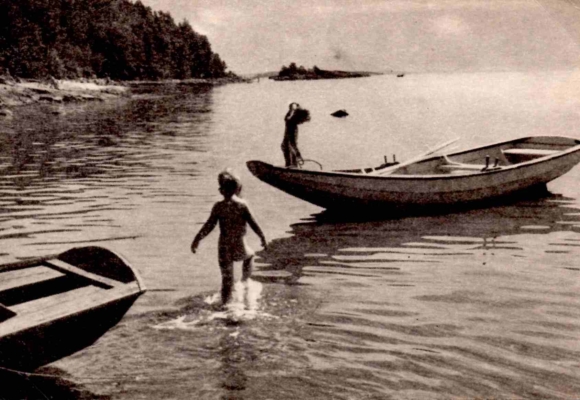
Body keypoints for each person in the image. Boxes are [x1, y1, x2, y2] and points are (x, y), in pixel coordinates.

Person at [191, 169, 267, 306]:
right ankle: (245, 281)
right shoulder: (242, 205)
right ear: (237, 189)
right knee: (250, 256)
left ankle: (226, 305)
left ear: (221, 190)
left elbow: (209, 225)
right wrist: (262, 237)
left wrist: (197, 239)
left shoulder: (218, 207)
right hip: (239, 244)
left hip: (224, 247)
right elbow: (253, 223)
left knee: (226, 279)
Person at [281, 102, 310, 168]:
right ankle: (291, 165)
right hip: (289, 138)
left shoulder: (290, 119)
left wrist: (292, 108)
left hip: (289, 136)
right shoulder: (292, 123)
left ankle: (293, 164)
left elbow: (287, 118)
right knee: (286, 148)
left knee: (290, 147)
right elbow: (292, 143)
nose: (302, 123)